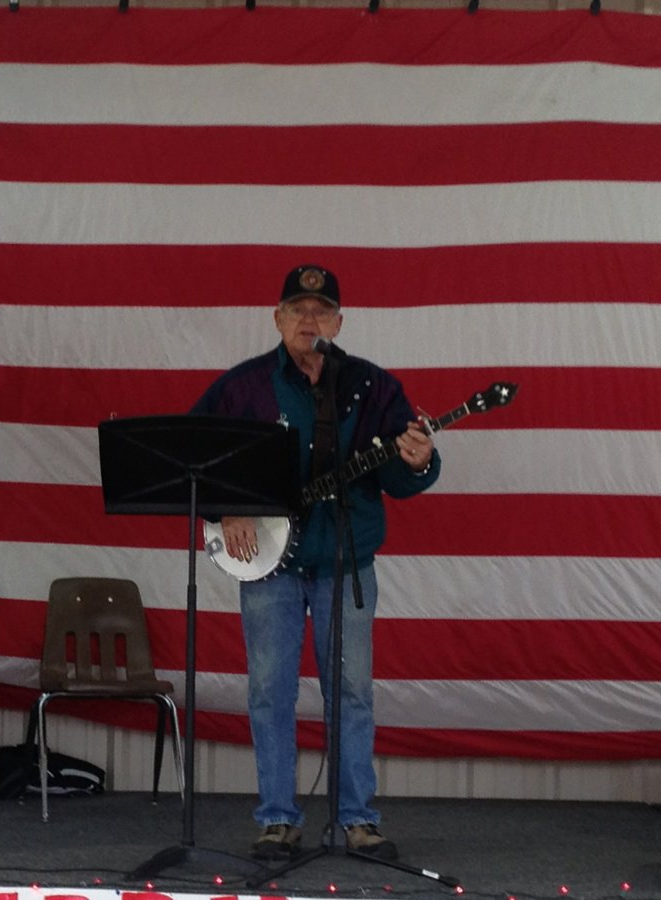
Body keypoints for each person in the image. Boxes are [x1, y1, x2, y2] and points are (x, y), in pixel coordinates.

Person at [190, 264, 440, 863]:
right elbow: (195, 453)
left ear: (339, 322)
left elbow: (402, 481)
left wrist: (418, 459)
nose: (309, 320)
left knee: (351, 694)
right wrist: (228, 509)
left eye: (321, 311)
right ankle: (277, 818)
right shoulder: (242, 387)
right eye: (298, 309)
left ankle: (358, 819)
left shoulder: (372, 387)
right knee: (269, 692)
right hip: (271, 569)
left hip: (345, 562)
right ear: (277, 318)